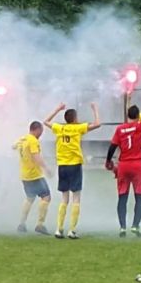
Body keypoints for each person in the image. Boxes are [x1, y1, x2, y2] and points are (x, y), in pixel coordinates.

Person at [106, 84, 141, 238]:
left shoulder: (120, 129)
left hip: (123, 165)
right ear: (138, 116)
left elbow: (112, 146)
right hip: (137, 165)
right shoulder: (140, 126)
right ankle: (135, 225)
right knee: (139, 196)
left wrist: (108, 160)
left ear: (128, 115)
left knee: (122, 196)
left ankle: (122, 227)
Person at [44, 102, 101, 239]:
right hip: (74, 165)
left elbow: (45, 121)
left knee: (64, 198)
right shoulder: (78, 128)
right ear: (75, 119)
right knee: (76, 197)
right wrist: (95, 109)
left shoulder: (59, 128)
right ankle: (72, 230)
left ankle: (59, 229)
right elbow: (98, 124)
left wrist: (57, 109)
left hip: (62, 165)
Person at [13, 121, 52, 234]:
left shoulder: (23, 139)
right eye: (41, 131)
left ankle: (22, 223)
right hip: (34, 174)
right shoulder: (33, 141)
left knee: (30, 198)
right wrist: (47, 169)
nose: (41, 134)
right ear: (37, 129)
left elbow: (13, 146)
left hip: (24, 175)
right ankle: (40, 224)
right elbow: (36, 157)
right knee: (46, 196)